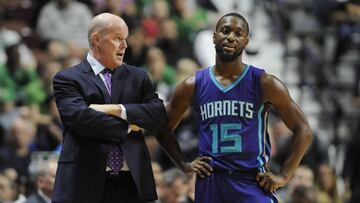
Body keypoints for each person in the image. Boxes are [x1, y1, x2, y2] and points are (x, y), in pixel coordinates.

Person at [156, 12, 312, 203]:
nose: (231, 36)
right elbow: (162, 127)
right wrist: (184, 164)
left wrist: (285, 176)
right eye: (225, 31)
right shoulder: (193, 85)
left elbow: (303, 129)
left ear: (246, 42)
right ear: (214, 36)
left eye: (238, 33)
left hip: (252, 181)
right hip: (211, 181)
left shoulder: (264, 83)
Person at [51, 13, 166, 203]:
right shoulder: (67, 78)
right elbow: (80, 119)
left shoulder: (138, 76)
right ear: (97, 39)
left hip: (132, 181)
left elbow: (158, 114)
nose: (125, 46)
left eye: (125, 39)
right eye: (117, 38)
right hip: (84, 181)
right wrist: (130, 125)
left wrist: (118, 109)